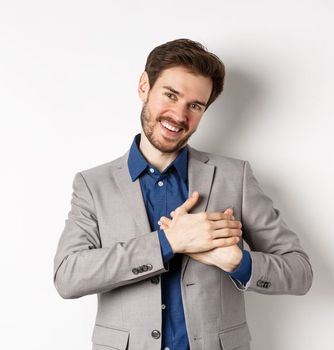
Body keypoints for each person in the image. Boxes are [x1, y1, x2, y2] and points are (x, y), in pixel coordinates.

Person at [53, 39, 313, 350]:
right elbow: (67, 276)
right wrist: (167, 243)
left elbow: (300, 272)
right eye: (171, 95)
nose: (179, 115)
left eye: (195, 105)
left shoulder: (235, 177)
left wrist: (238, 262)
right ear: (144, 87)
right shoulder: (93, 185)